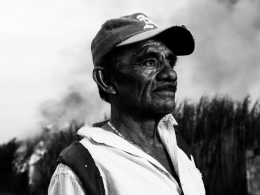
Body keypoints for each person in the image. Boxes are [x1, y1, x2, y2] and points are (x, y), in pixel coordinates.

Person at [48, 13, 205, 195]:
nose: (170, 74)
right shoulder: (82, 169)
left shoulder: (178, 149)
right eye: (150, 62)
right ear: (106, 80)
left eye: (170, 62)